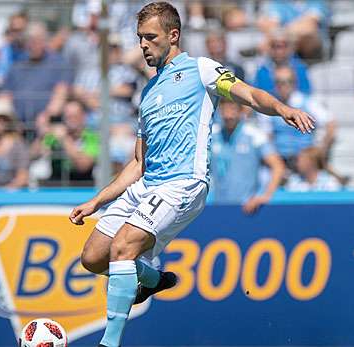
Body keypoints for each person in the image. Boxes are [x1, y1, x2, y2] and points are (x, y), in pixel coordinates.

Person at [67, 3, 315, 346]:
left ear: (173, 35)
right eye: (139, 37)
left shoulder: (201, 70)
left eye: (150, 37)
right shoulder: (148, 92)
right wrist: (96, 201)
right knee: (93, 258)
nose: (142, 45)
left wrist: (283, 109)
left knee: (123, 248)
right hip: (148, 185)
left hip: (183, 184)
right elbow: (139, 163)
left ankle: (109, 343)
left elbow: (250, 94)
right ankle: (151, 279)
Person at [210, 98, 285, 214]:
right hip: (218, 206)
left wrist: (264, 196)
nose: (228, 115)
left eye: (232, 110)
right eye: (224, 110)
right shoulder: (212, 135)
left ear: (241, 111)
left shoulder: (254, 134)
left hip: (247, 208)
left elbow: (278, 166)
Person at [258, 65, 335, 168]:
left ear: (294, 83)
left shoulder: (308, 103)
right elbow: (267, 137)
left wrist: (319, 153)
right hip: (281, 160)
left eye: (287, 81)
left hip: (306, 161)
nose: (283, 86)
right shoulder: (270, 105)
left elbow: (330, 124)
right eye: (279, 82)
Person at [33, 99, 99, 186]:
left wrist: (64, 139)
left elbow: (84, 166)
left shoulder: (92, 137)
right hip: (56, 184)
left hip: (83, 185)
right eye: (68, 116)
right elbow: (32, 155)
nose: (71, 119)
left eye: (75, 116)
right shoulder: (54, 134)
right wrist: (41, 136)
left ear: (84, 116)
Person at [253, 31, 311, 96]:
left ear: (291, 47)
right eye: (274, 46)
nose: (279, 51)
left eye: (284, 46)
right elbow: (257, 94)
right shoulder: (262, 71)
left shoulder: (300, 68)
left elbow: (306, 92)